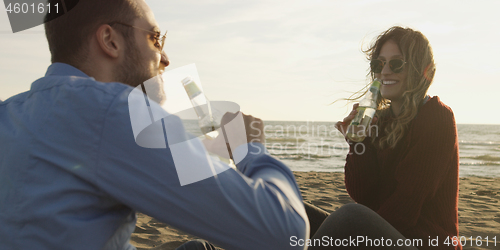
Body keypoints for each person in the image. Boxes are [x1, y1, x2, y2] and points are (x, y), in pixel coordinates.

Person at [0, 0, 308, 249]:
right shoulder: (115, 110)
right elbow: (285, 234)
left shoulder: (11, 112)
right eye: (156, 38)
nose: (166, 58)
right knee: (352, 222)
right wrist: (249, 146)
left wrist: (203, 150)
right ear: (110, 40)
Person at [307, 26, 461, 249]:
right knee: (286, 207)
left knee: (351, 216)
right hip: (384, 234)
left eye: (396, 64)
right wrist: (359, 142)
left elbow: (405, 209)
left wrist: (354, 236)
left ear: (418, 69)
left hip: (423, 242)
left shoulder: (437, 117)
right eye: (378, 64)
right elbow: (364, 194)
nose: (385, 71)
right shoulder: (380, 120)